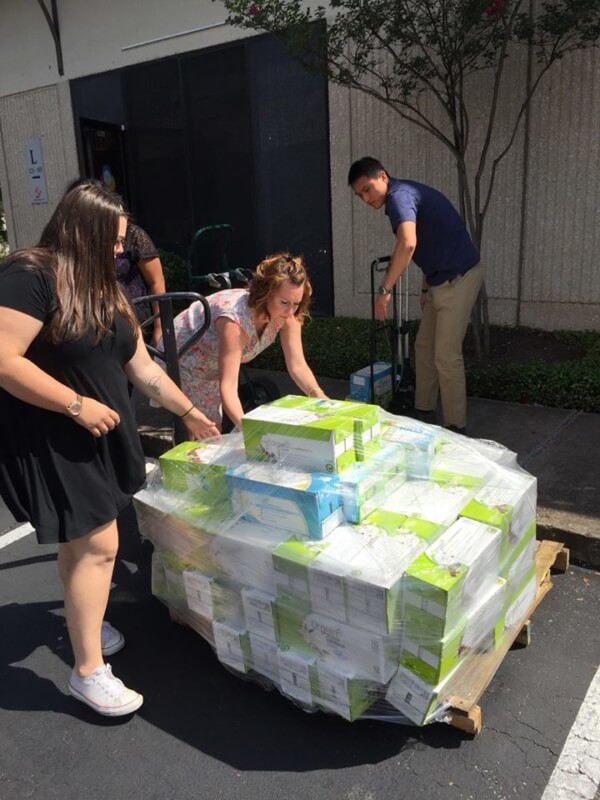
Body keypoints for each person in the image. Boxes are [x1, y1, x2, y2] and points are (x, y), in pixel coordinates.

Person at [0, 181, 219, 718]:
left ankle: (86, 621)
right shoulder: (31, 275)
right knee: (100, 545)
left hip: (96, 435)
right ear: (84, 230)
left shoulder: (104, 285)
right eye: (115, 241)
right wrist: (76, 405)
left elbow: (141, 367)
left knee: (82, 546)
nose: (122, 251)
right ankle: (88, 673)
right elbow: (4, 359)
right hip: (54, 436)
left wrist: (189, 412)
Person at [348, 156, 483, 434]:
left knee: (446, 355)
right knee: (423, 347)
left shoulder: (400, 197)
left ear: (383, 176)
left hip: (460, 277)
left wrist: (385, 289)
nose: (365, 198)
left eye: (367, 189)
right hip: (438, 280)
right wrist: (424, 287)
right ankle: (423, 410)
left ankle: (456, 428)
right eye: (359, 194)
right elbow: (432, 241)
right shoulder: (403, 195)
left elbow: (408, 243)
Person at [160, 253, 327, 430]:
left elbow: (297, 365)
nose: (291, 310)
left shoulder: (290, 316)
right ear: (265, 294)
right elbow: (229, 388)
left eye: (296, 303)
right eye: (284, 302)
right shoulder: (235, 320)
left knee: (212, 430)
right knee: (202, 429)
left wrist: (318, 395)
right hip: (184, 355)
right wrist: (249, 431)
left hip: (214, 361)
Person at [113, 221, 166, 346]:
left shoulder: (133, 235)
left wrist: (160, 327)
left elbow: (156, 281)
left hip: (140, 322)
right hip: (107, 323)